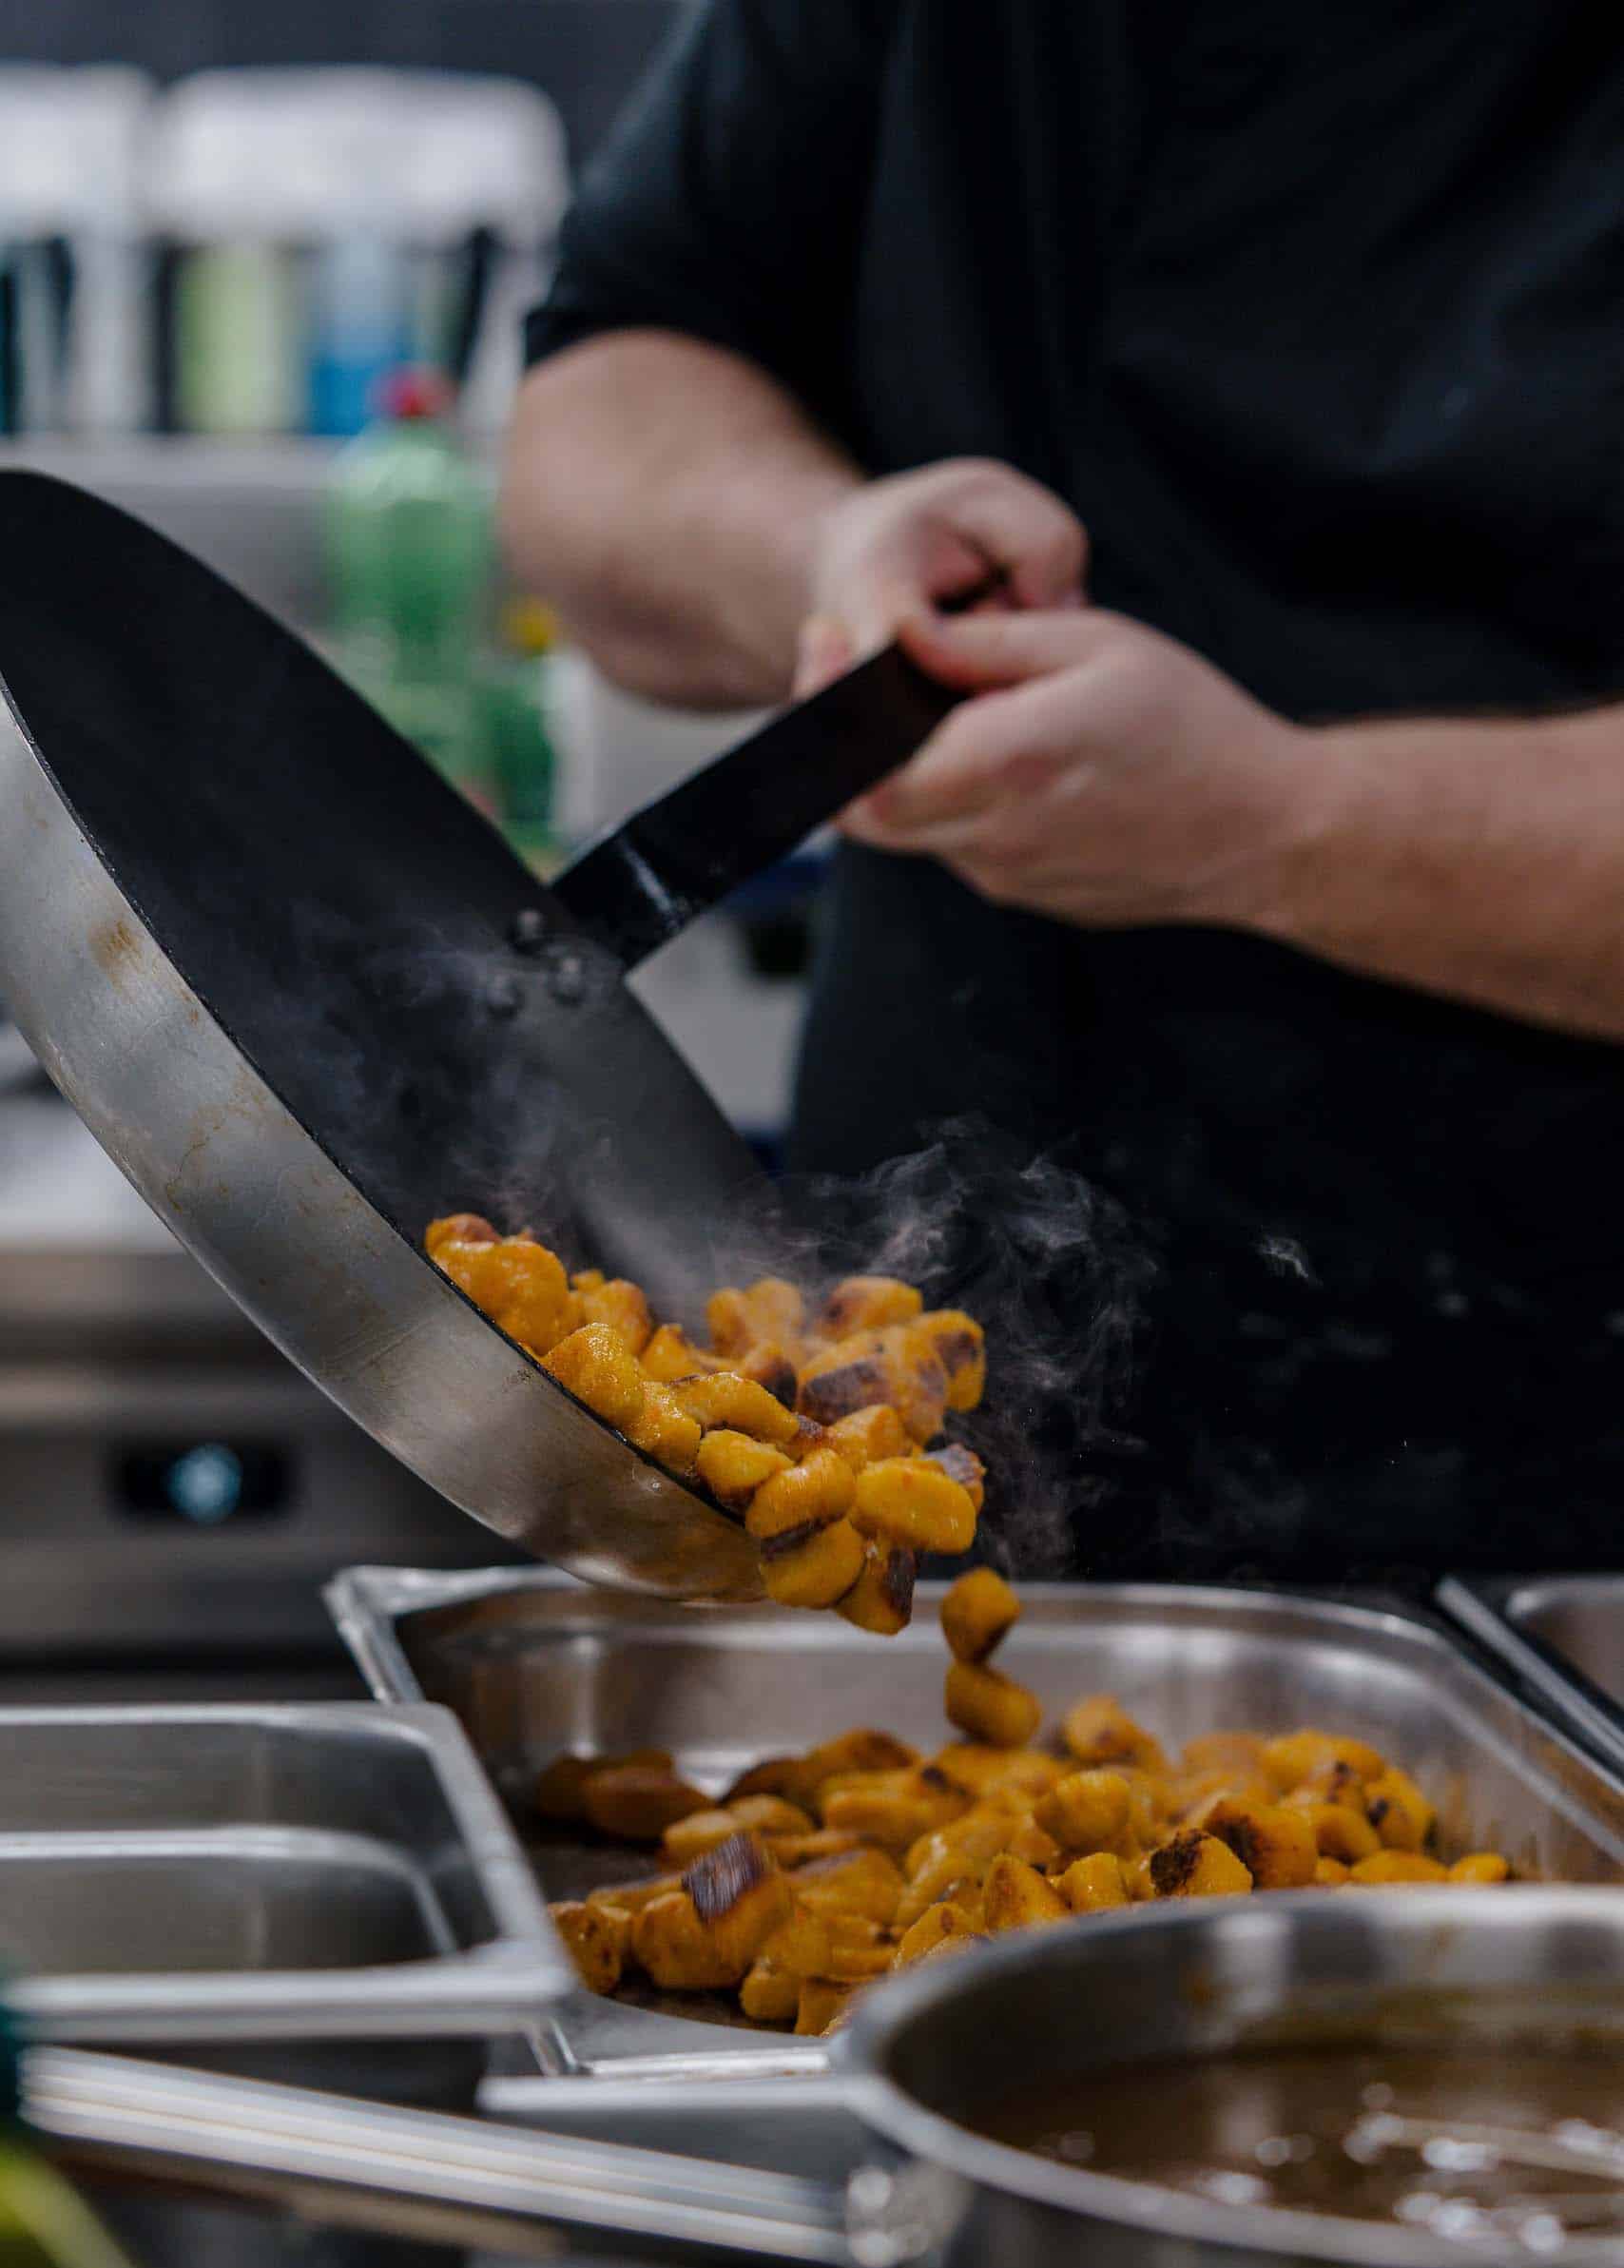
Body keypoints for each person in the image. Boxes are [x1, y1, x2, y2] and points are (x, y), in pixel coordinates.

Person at [502, 1, 1624, 1582]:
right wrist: (823, 556)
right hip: (903, 1399)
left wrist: (1276, 823)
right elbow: (601, 407)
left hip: (1560, 1473)